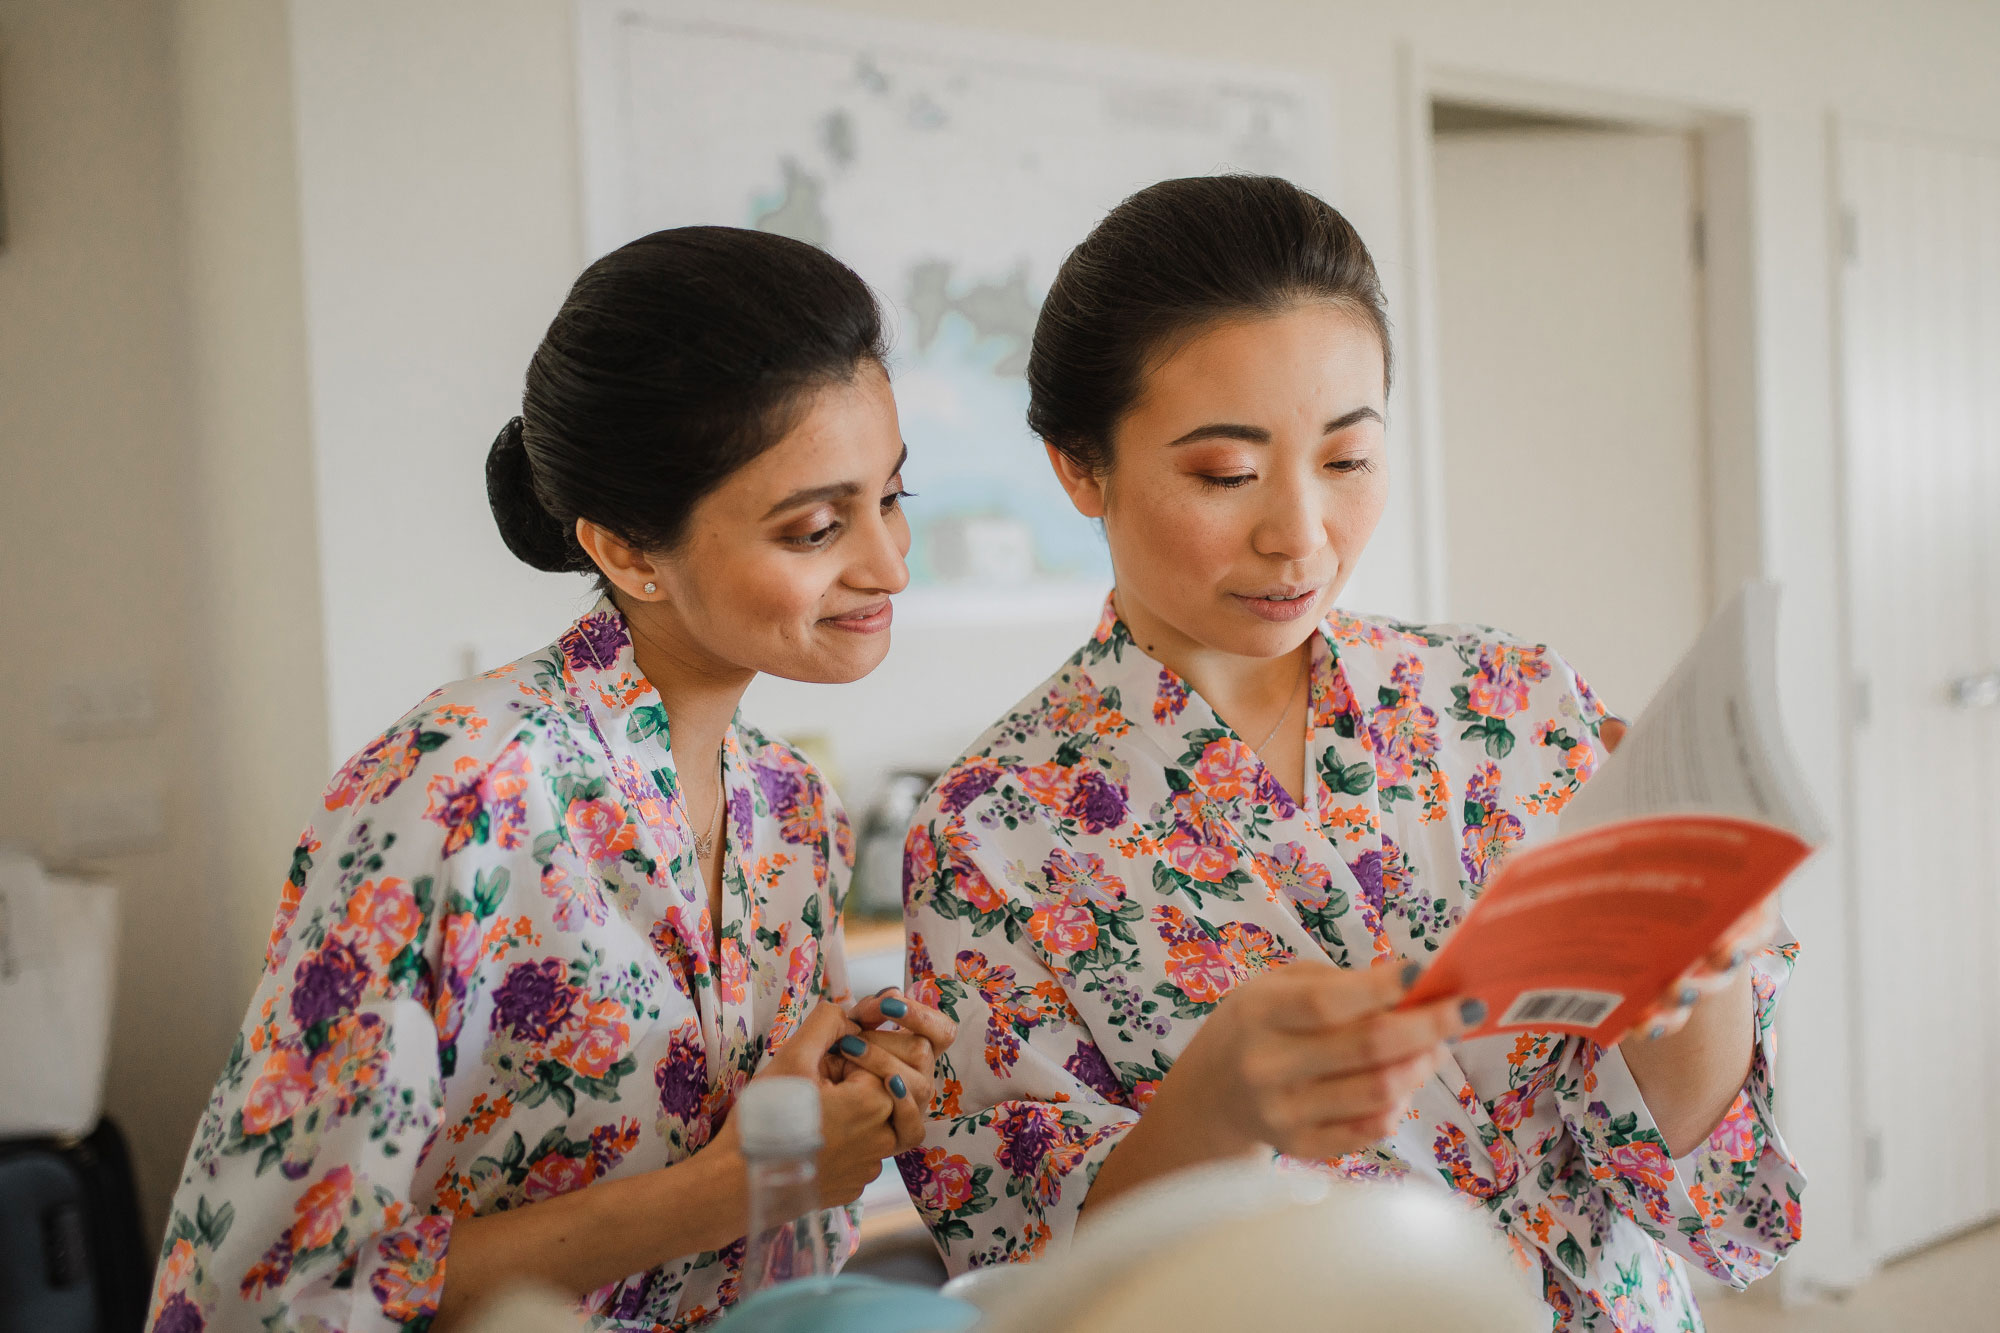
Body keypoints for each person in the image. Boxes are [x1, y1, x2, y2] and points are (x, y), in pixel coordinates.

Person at [895, 176, 1801, 1330]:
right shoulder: (993, 833)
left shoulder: (1510, 700)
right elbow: (1034, 1278)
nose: (1299, 535)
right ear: (1080, 466)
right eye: (1224, 474)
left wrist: (1700, 974)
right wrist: (1211, 1108)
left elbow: (1693, 1184)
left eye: (1347, 458)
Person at [145, 227, 955, 1333]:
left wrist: (847, 1102)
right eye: (816, 526)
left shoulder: (787, 803)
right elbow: (266, 1293)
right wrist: (724, 1185)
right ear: (626, 551)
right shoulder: (455, 789)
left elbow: (780, 1239)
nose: (888, 564)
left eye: (891, 498)